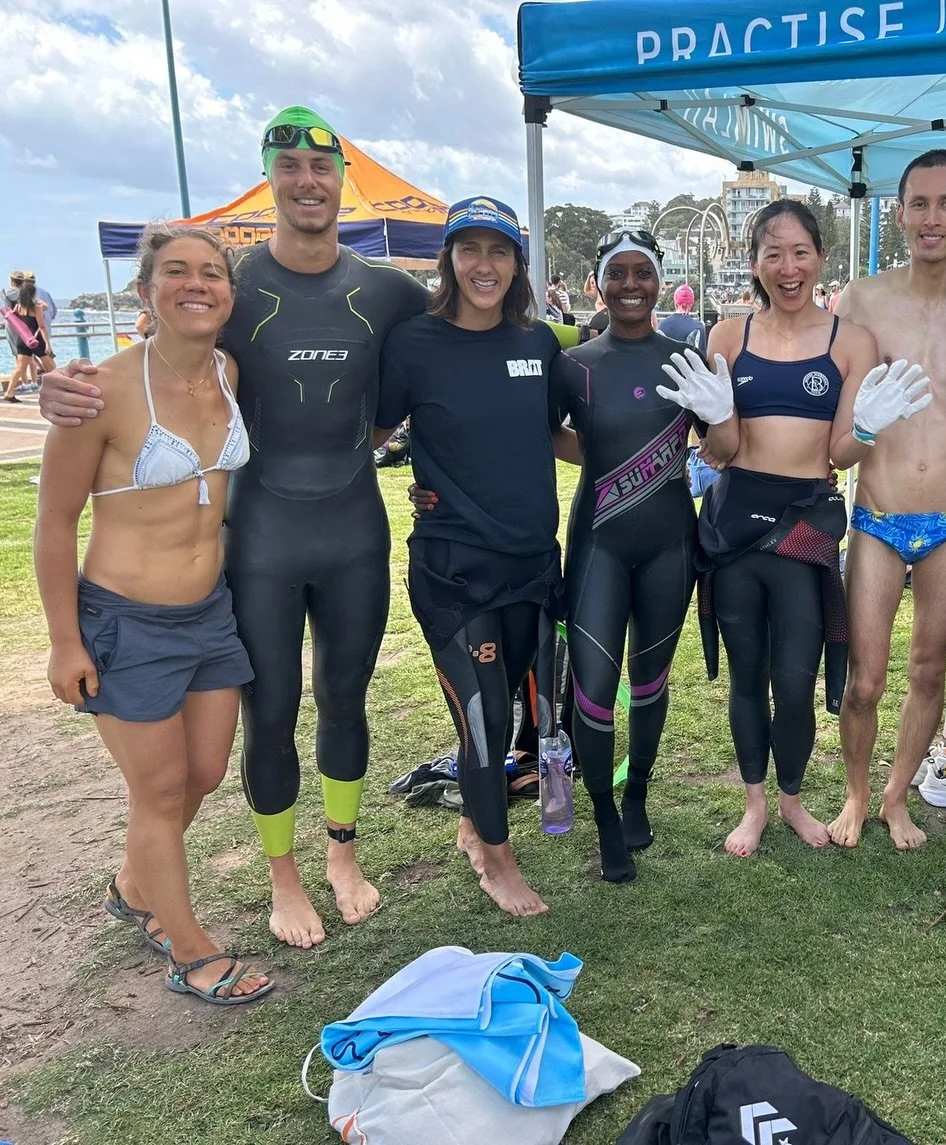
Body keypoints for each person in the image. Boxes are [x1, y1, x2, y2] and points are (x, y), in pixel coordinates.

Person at [39, 107, 429, 950]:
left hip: (355, 529)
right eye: (287, 168)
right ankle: (282, 877)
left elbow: (452, 357)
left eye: (320, 168)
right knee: (273, 707)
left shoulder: (389, 291)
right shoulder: (233, 286)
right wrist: (58, 391)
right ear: (271, 178)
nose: (306, 183)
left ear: (341, 180)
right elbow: (159, 358)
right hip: (260, 539)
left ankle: (342, 857)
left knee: (346, 699)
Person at [34, 224, 271, 1004]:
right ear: (146, 292)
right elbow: (55, 522)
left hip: (208, 614)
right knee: (161, 789)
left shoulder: (230, 371)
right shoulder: (98, 389)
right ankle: (190, 948)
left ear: (229, 294)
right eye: (176, 272)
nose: (196, 285)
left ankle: (136, 883)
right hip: (125, 620)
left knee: (202, 772)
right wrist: (64, 640)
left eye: (212, 273)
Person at [662, 199, 917, 856]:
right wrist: (719, 418)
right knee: (749, 674)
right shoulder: (726, 336)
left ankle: (793, 799)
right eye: (772, 253)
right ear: (753, 263)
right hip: (735, 527)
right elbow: (720, 449)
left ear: (819, 258)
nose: (787, 266)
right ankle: (753, 804)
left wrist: (865, 427)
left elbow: (840, 455)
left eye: (800, 251)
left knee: (797, 671)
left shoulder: (849, 341)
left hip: (804, 528)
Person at [377, 196, 576, 916]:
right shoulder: (412, 344)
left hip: (530, 564)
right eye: (470, 250)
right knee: (485, 718)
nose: (484, 265)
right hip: (453, 569)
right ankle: (496, 858)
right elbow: (367, 436)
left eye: (499, 251)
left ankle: (472, 822)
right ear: (449, 260)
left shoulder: (539, 346)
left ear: (518, 263)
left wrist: (651, 451)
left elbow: (557, 434)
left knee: (518, 715)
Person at [827, 150, 946, 851]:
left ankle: (897, 798)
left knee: (929, 668)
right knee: (863, 679)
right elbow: (833, 416)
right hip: (877, 514)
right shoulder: (862, 301)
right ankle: (856, 793)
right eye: (920, 204)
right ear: (899, 213)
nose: (932, 218)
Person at [557, 232, 737, 881]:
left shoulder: (685, 356)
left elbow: (722, 448)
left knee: (650, 682)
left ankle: (637, 797)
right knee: (595, 692)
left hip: (668, 543)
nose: (631, 284)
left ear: (660, 280)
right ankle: (604, 815)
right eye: (618, 273)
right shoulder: (575, 363)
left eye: (643, 273)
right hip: (599, 542)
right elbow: (549, 433)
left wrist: (719, 417)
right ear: (597, 283)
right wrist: (615, 468)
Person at [4, 277, 54, 400]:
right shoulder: (36, 307)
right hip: (36, 340)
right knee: (51, 368)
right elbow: (42, 327)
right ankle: (59, 391)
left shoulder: (19, 306)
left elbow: (13, 317)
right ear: (33, 293)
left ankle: (9, 393)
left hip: (22, 339)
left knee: (20, 368)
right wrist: (48, 344)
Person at [658, 283, 705, 350]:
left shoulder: (662, 324)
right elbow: (702, 356)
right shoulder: (698, 327)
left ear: (675, 303)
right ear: (691, 305)